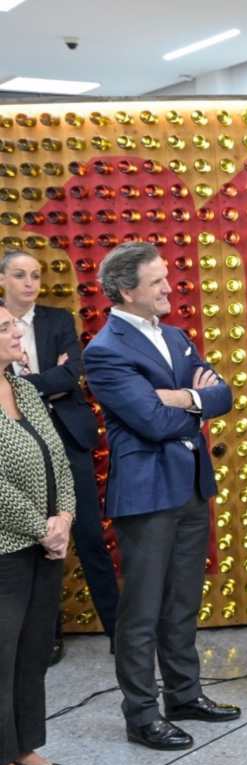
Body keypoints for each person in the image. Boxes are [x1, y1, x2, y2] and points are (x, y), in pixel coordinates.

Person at [83, 243, 240, 751]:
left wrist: (184, 398)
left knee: (182, 603)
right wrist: (194, 403)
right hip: (147, 494)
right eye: (157, 282)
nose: (169, 288)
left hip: (190, 485)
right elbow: (148, 421)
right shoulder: (105, 350)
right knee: (143, 611)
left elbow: (225, 394)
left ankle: (185, 694)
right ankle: (142, 714)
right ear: (127, 290)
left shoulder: (175, 336)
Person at [0, 251, 119, 665]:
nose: (30, 283)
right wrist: (46, 381)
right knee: (34, 545)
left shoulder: (56, 320)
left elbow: (71, 376)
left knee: (89, 537)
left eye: (35, 275)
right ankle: (44, 639)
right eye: (20, 275)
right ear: (3, 279)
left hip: (66, 439)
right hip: (15, 448)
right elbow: (48, 379)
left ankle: (118, 631)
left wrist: (25, 381)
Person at [0, 301, 75, 765]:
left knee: (31, 653)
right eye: (5, 327)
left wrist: (64, 517)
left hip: (44, 545)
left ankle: (25, 745)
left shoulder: (24, 387)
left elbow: (58, 460)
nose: (15, 333)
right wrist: (40, 527)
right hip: (8, 546)